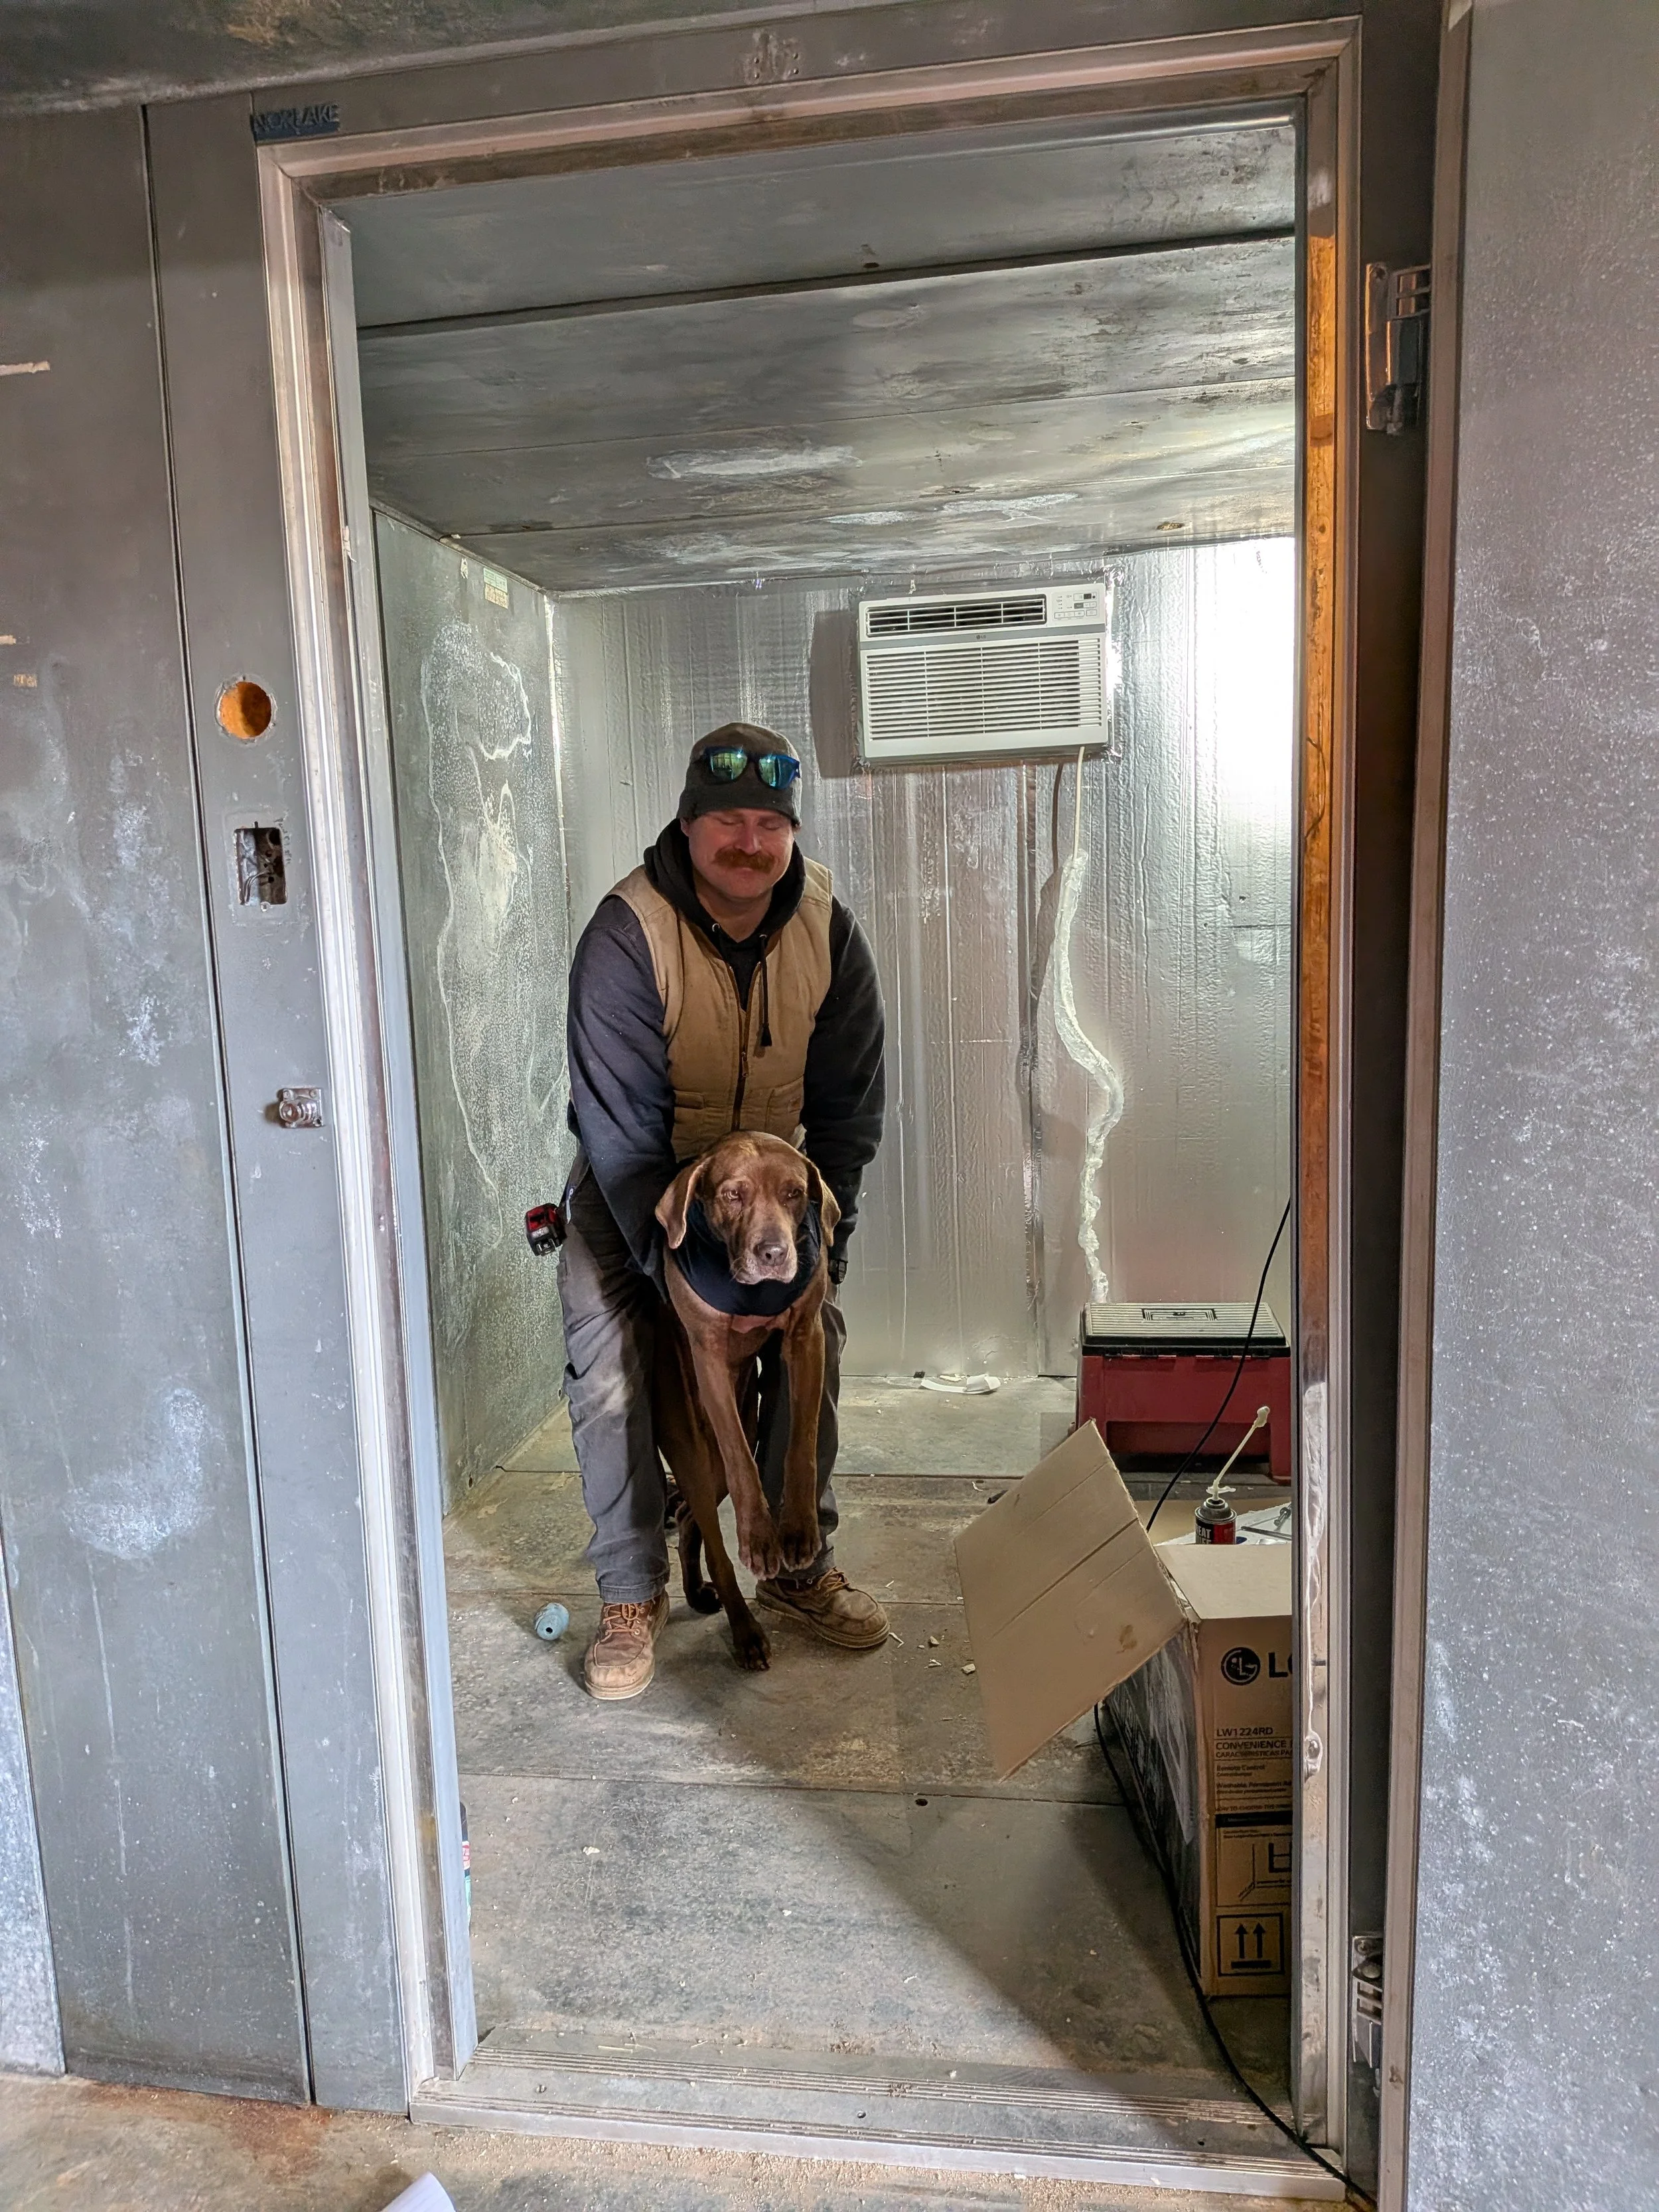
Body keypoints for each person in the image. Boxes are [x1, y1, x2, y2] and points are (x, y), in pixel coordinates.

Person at [561, 721, 889, 1700]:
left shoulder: (828, 928)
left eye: (769, 825)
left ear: (789, 833)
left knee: (811, 1329)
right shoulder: (628, 933)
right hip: (643, 1202)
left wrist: (818, 1239)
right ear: (689, 824)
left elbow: (848, 1108)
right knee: (608, 1354)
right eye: (727, 823)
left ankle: (795, 1559)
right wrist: (687, 1281)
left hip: (783, 1196)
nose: (749, 843)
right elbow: (619, 1137)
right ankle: (631, 1588)